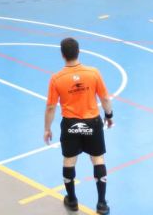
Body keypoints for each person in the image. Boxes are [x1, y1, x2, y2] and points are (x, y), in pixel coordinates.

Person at [44, 38, 113, 215]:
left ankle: (72, 200)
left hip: (70, 124)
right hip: (92, 122)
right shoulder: (93, 73)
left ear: (62, 54)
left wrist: (47, 128)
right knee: (97, 159)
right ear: (79, 52)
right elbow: (105, 98)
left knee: (69, 160)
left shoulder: (56, 78)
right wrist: (109, 115)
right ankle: (102, 204)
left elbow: (51, 107)